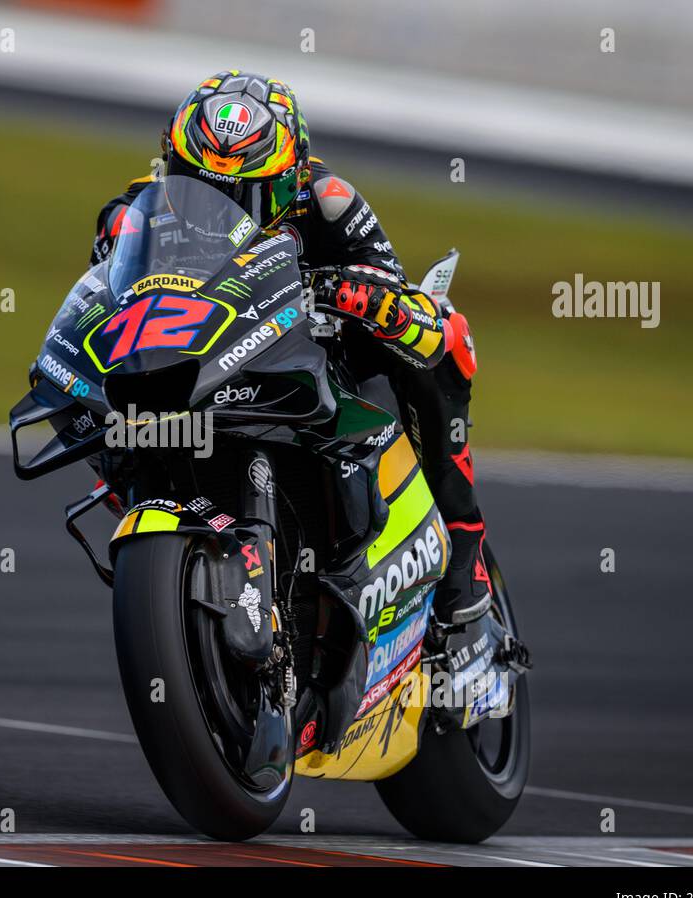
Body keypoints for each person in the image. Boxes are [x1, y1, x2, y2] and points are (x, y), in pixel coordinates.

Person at [89, 70, 490, 624]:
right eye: (197, 187)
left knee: (443, 336)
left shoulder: (330, 202)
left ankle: (465, 554)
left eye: (244, 195)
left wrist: (353, 294)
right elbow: (105, 304)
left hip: (317, 358)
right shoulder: (136, 211)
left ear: (290, 178)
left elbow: (402, 302)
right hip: (210, 361)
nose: (215, 211)